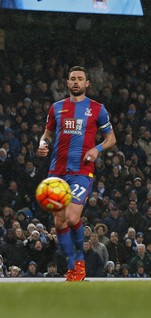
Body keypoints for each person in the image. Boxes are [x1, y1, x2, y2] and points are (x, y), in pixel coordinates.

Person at [36, 66, 116, 281]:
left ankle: (80, 260)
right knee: (59, 223)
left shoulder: (98, 109)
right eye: (72, 79)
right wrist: (43, 145)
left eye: (80, 79)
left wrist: (97, 149)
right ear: (67, 83)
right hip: (57, 172)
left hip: (81, 171)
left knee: (72, 218)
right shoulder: (56, 108)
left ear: (87, 83)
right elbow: (46, 135)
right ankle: (72, 268)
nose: (76, 82)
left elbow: (111, 139)